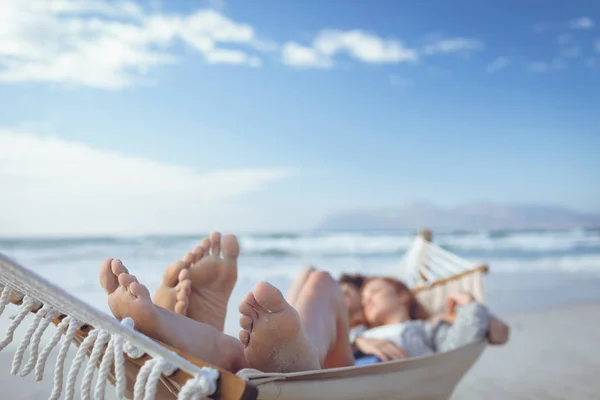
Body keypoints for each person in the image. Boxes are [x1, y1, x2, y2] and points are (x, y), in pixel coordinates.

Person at [99, 232, 507, 375]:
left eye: (372, 292)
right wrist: (362, 340)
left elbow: (476, 337)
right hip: (340, 359)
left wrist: (469, 301)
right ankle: (167, 324)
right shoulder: (362, 332)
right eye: (359, 298)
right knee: (237, 357)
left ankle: (295, 354)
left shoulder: (431, 327)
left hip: (355, 379)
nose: (365, 300)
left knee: (322, 282)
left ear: (404, 293)